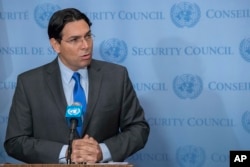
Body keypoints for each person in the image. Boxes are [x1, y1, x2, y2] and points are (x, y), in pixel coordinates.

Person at [4, 8, 150, 164]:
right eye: (74, 40)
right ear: (55, 45)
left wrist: (102, 151)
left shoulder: (116, 76)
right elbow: (15, 142)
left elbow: (138, 129)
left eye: (88, 36)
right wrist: (66, 153)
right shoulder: (29, 83)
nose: (85, 45)